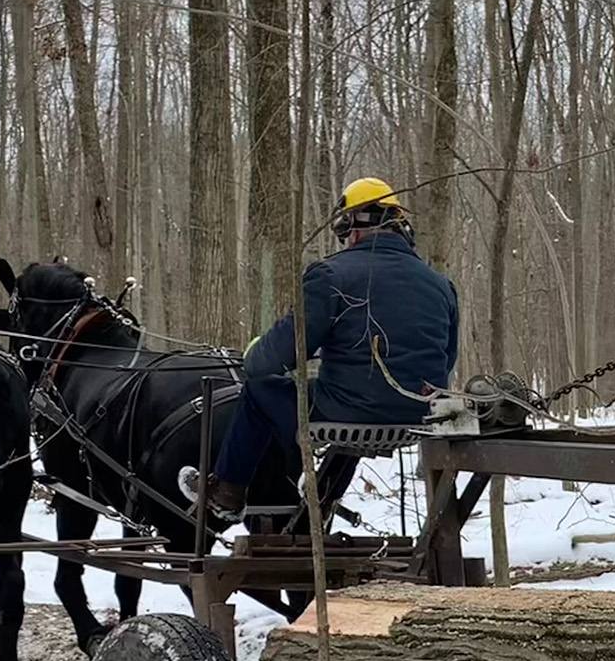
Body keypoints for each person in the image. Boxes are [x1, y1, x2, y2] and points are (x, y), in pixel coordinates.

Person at [194, 177, 459, 521]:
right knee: (348, 405)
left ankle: (228, 492)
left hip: (348, 412)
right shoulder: (441, 285)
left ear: (354, 226)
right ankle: (321, 493)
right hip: (416, 417)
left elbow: (277, 356)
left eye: (345, 231)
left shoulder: (331, 274)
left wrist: (254, 353)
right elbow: (447, 359)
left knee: (260, 392)